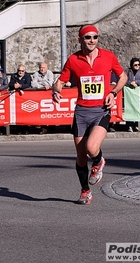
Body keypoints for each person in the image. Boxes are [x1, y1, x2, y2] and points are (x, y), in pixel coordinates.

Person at [52, 25, 127, 205]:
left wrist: (114, 92)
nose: (92, 40)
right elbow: (60, 81)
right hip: (81, 113)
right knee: (80, 157)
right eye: (87, 37)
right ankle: (85, 191)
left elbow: (123, 76)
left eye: (94, 37)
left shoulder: (108, 56)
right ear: (80, 40)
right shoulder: (73, 60)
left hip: (101, 111)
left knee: (92, 148)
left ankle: (99, 161)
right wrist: (56, 91)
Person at [125, 58, 140, 132]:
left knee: (137, 109)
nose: (137, 66)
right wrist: (130, 83)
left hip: (138, 94)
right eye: (135, 65)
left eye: (139, 64)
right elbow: (123, 80)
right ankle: (129, 125)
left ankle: (136, 125)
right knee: (130, 109)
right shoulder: (127, 71)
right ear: (132, 65)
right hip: (129, 94)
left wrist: (137, 82)